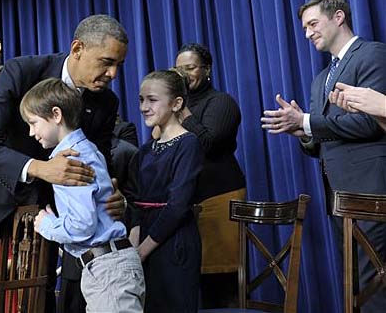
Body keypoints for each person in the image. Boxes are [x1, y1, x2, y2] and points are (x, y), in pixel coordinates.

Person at [0, 14, 128, 313]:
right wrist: (42, 169)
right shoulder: (22, 71)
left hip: (45, 217)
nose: (113, 73)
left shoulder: (107, 102)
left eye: (119, 64)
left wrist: (110, 192)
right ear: (78, 48)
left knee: (37, 299)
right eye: (106, 62)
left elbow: (99, 161)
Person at [260, 0, 386, 312]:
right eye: (304, 28)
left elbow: (372, 124)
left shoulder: (372, 54)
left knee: (376, 283)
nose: (308, 33)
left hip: (372, 190)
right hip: (339, 198)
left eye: (313, 24)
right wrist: (302, 132)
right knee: (355, 285)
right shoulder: (320, 80)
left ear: (339, 17)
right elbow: (323, 139)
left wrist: (306, 121)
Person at [20, 78, 145, 312]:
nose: (31, 132)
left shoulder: (70, 161)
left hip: (108, 269)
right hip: (107, 267)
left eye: (33, 122)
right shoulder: (85, 149)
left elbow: (83, 225)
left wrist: (47, 225)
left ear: (56, 115)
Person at [175, 43, 246, 308]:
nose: (183, 74)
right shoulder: (175, 106)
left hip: (219, 197)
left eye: (190, 68)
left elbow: (209, 143)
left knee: (220, 283)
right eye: (178, 69)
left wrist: (182, 113)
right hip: (186, 204)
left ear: (207, 70)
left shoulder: (221, 102)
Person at [129, 70, 203, 312]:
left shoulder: (188, 143)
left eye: (152, 99)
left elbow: (178, 205)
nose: (143, 107)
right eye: (141, 100)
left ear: (176, 103)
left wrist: (143, 250)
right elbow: (135, 202)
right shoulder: (145, 151)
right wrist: (133, 251)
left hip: (173, 243)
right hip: (144, 242)